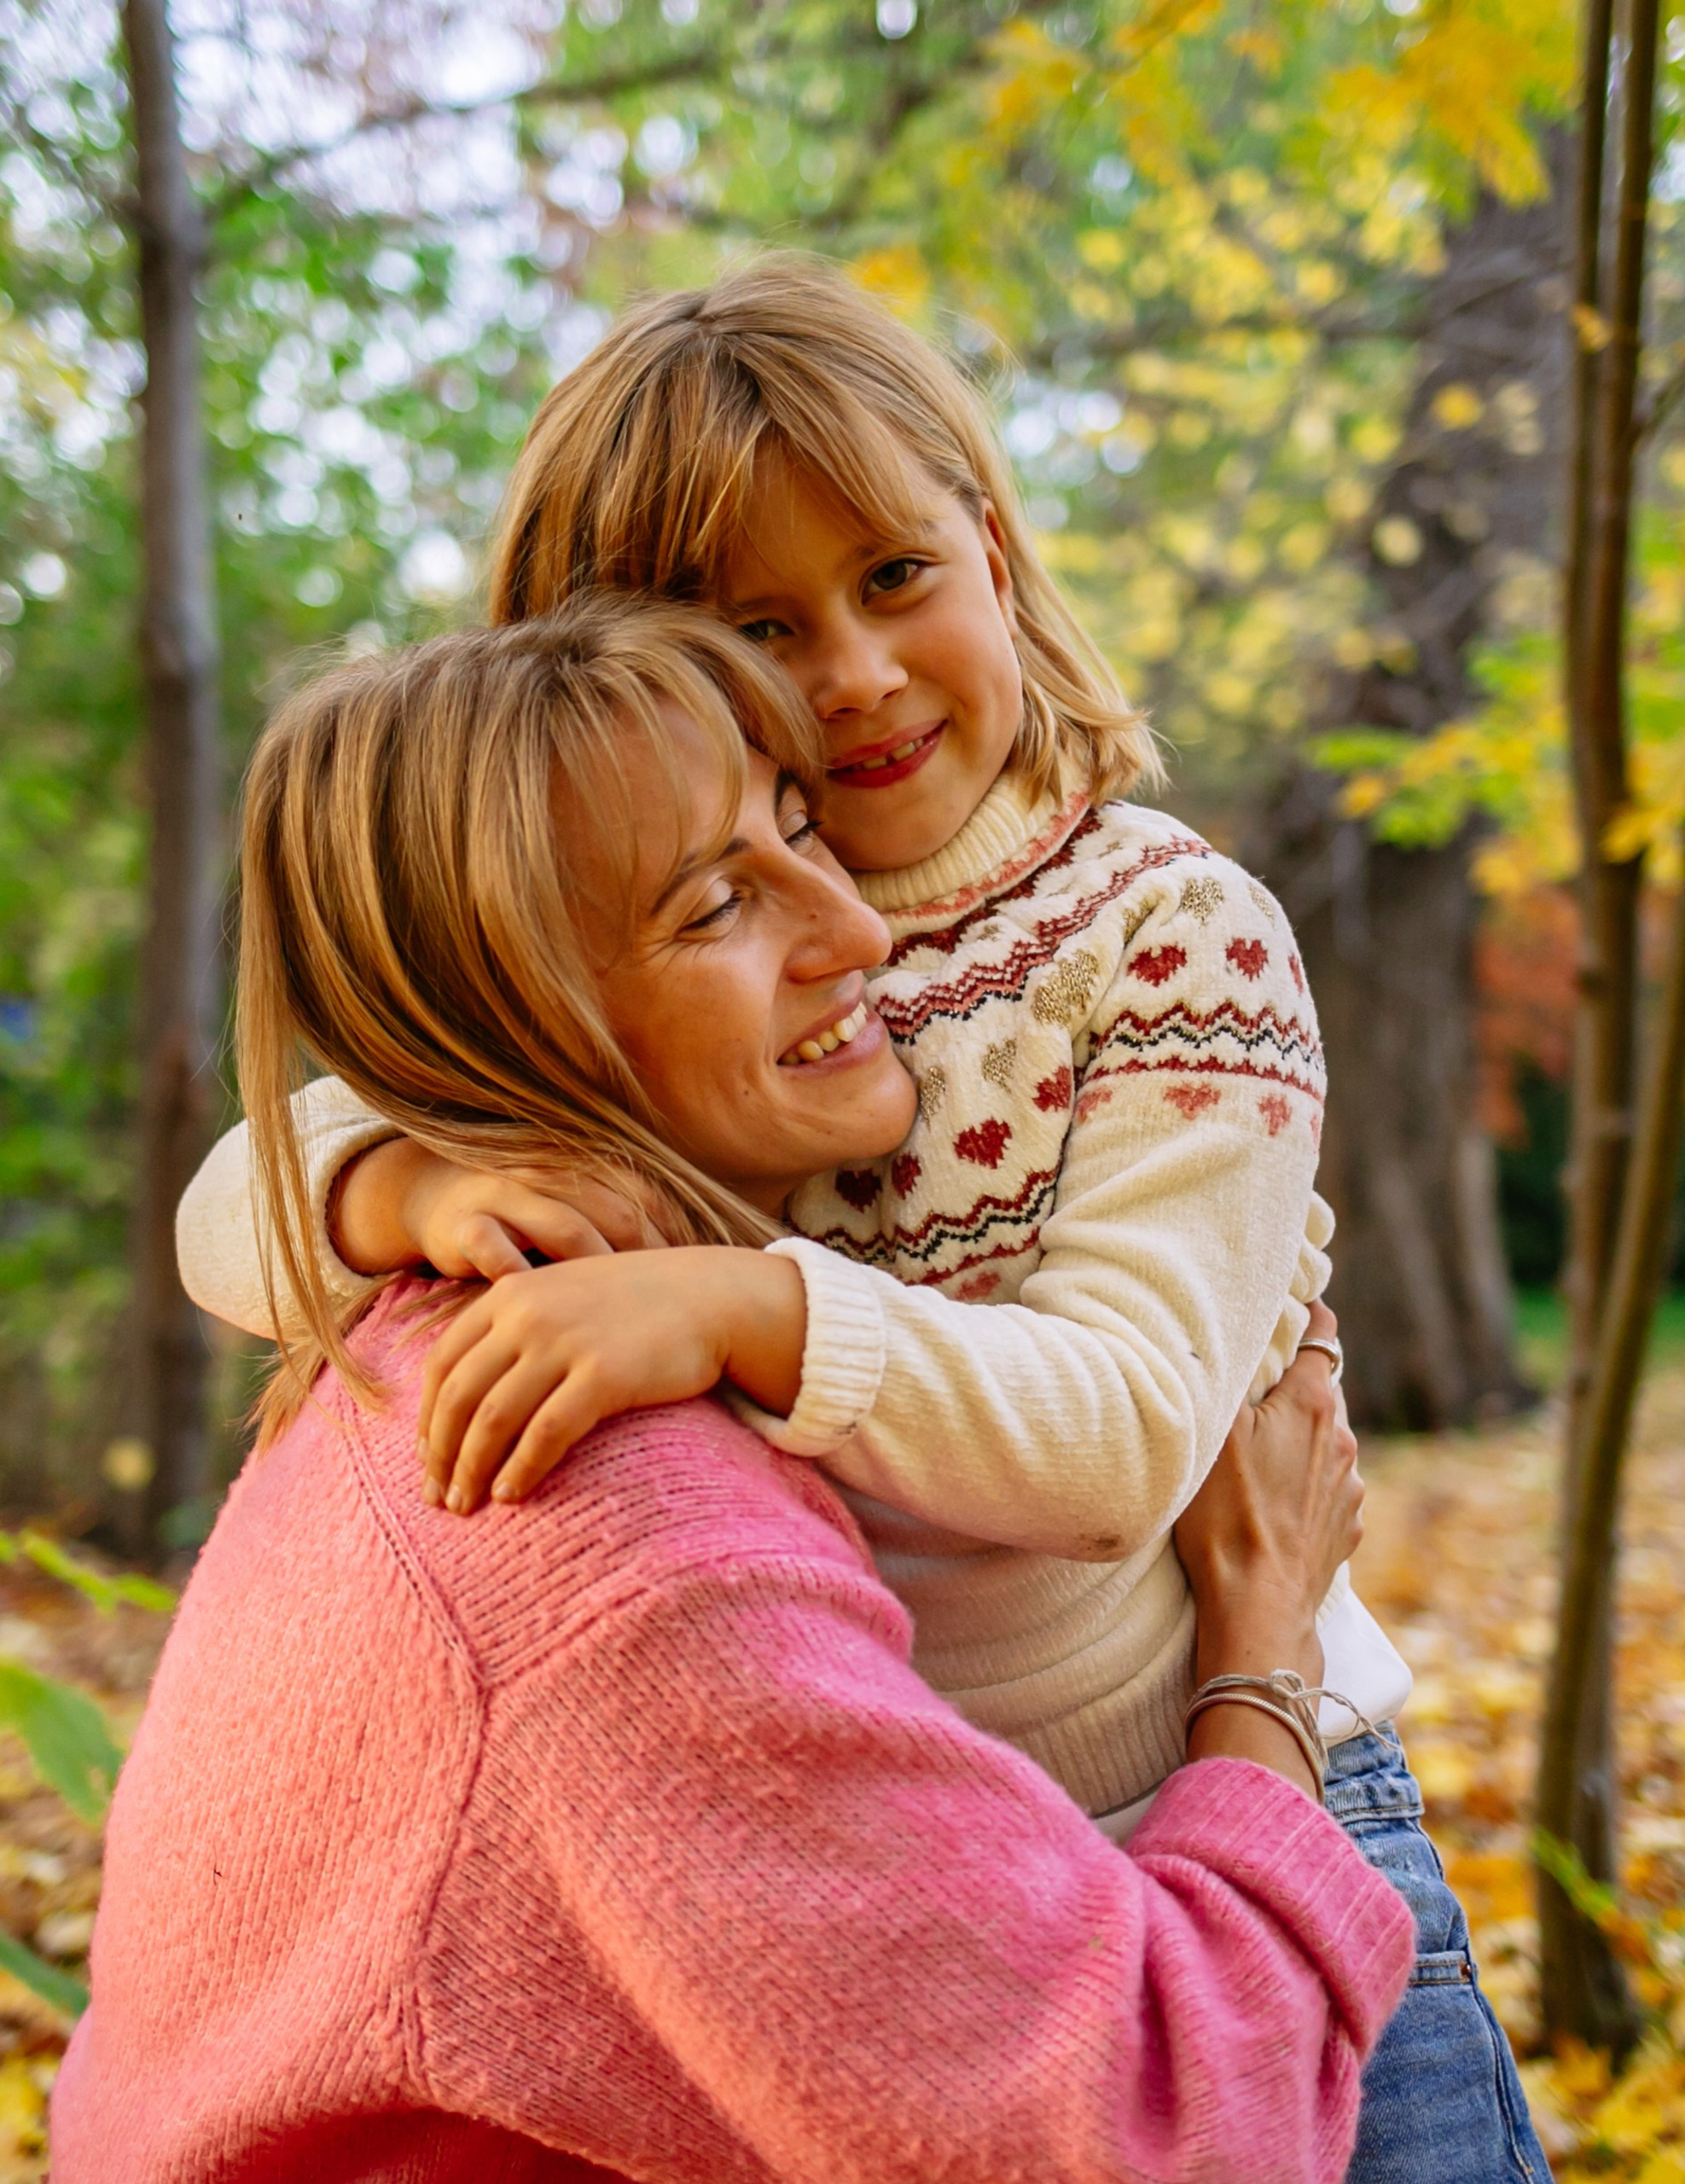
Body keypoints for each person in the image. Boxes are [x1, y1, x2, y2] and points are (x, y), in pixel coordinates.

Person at [176, 257, 1551, 2181]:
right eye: (756, 626)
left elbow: (1127, 1434)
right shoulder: (667, 921)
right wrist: (407, 1179)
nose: (851, 675)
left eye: (894, 575)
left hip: (1253, 1801)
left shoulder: (1165, 933)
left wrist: (742, 1304)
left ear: (990, 542)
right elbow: (234, 1197)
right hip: (922, 1880)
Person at [49, 603, 1414, 2181]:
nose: (864, 934)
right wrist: (1263, 1657)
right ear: (509, 1021)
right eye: (714, 905)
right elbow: (1177, 2137)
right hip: (1212, 1935)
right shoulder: (612, 1527)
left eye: (800, 826)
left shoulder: (431, 1341)